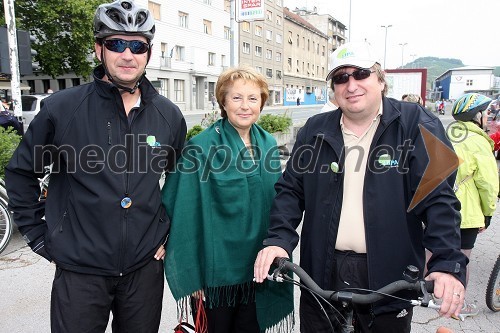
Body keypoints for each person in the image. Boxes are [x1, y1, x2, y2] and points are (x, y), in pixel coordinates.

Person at [254, 41, 467, 333]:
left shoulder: (417, 122)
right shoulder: (314, 130)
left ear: (380, 79)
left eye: (361, 74)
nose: (351, 85)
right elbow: (290, 191)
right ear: (334, 89)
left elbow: (440, 198)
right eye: (341, 78)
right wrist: (278, 240)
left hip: (391, 277)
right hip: (321, 274)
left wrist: (446, 265)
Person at [5, 1, 186, 332]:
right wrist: (38, 236)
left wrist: (169, 232)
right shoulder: (62, 108)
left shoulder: (169, 115)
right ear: (98, 48)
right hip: (80, 271)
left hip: (143, 271)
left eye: (138, 45)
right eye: (116, 43)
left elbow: (178, 181)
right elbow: (20, 173)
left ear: (148, 52)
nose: (127, 54)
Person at [162, 66, 294, 333]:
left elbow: (279, 202)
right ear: (223, 101)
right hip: (216, 273)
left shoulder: (267, 143)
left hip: (260, 268)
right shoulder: (201, 147)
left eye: (253, 98)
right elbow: (184, 210)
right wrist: (192, 275)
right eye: (236, 98)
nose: (245, 106)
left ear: (262, 102)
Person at [446, 93, 498, 318]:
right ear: (477, 115)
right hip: (466, 212)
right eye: (486, 113)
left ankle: (427, 296)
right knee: (461, 259)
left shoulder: (445, 133)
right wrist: (488, 213)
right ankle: (457, 306)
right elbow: (487, 183)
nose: (488, 117)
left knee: (431, 252)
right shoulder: (479, 141)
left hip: (436, 207)